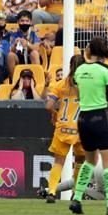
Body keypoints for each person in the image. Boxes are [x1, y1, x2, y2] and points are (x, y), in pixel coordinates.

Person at [69, 37, 108, 215]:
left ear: (89, 50)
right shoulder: (107, 71)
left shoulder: (79, 71)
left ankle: (76, 199)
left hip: (83, 118)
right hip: (101, 117)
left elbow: (79, 94)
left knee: (89, 161)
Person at [41, 55, 85, 203]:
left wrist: (54, 114)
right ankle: (76, 193)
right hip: (81, 129)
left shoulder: (61, 84)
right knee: (80, 161)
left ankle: (52, 192)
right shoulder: (87, 85)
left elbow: (48, 105)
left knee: (59, 162)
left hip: (63, 127)